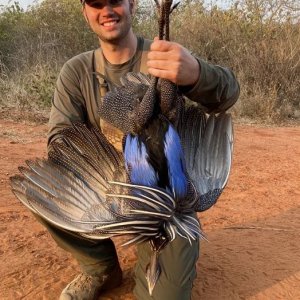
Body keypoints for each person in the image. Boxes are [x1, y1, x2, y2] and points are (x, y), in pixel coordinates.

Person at [42, 0, 240, 299]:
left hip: (165, 199)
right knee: (53, 192)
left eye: (115, 1)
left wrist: (196, 74)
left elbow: (228, 94)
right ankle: (101, 268)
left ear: (132, 5)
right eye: (96, 3)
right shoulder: (77, 71)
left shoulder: (164, 58)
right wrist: (107, 164)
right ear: (85, 11)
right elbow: (59, 140)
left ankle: (161, 254)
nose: (106, 10)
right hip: (112, 183)